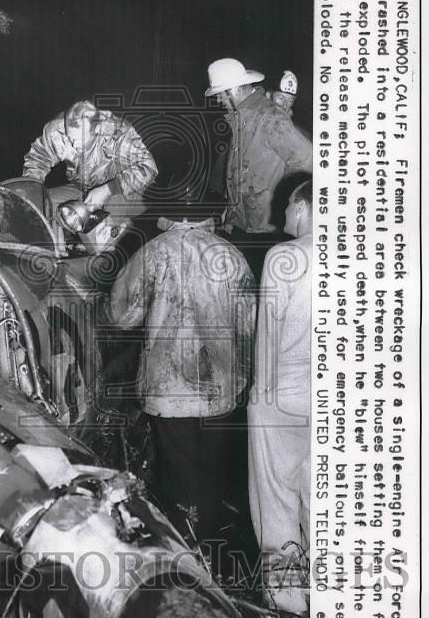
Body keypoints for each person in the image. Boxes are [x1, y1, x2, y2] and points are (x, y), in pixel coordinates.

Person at [108, 198, 256, 549]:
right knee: (213, 468)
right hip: (219, 386)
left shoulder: (153, 252)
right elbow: (248, 323)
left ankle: (185, 551)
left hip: (167, 388)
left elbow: (121, 316)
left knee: (178, 474)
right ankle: (210, 545)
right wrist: (244, 375)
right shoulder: (230, 255)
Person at [247, 179, 312, 614]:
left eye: (288, 205)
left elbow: (268, 333)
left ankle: (289, 600)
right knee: (320, 493)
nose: (282, 215)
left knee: (275, 497)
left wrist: (258, 394)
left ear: (305, 206)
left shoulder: (284, 257)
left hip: (281, 390)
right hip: (332, 394)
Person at [204, 58, 312, 280]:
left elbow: (307, 161)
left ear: (234, 90)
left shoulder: (269, 118)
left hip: (265, 233)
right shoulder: (243, 118)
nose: (217, 100)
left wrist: (280, 203)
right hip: (243, 226)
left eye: (220, 94)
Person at [22, 100, 158, 211]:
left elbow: (149, 167)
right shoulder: (58, 131)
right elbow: (38, 159)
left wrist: (107, 190)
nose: (74, 145)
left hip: (125, 187)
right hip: (83, 187)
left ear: (97, 130)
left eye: (80, 140)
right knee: (44, 206)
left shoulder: (117, 133)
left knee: (106, 217)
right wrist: (32, 189)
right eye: (70, 138)